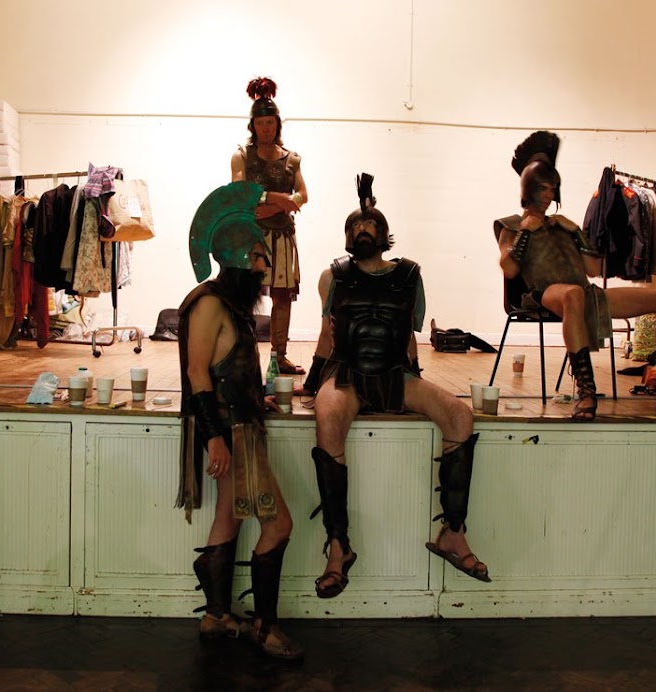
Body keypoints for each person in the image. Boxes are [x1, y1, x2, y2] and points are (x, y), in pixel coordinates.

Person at [307, 174, 490, 599]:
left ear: (384, 234)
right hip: (347, 372)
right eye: (354, 226)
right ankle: (338, 545)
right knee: (326, 418)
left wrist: (417, 379)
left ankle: (453, 532)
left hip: (394, 372)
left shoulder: (409, 276)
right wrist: (313, 383)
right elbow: (328, 334)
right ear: (347, 237)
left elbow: (408, 333)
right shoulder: (332, 276)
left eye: (369, 225)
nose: (362, 230)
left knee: (459, 415)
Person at [496, 131, 656, 421]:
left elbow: (593, 270)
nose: (548, 195)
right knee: (573, 294)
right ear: (530, 189)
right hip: (543, 294)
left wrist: (576, 232)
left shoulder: (562, 227)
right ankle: (586, 390)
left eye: (553, 189)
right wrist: (525, 233)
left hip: (584, 292)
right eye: (544, 188)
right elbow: (509, 269)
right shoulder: (510, 226)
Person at [177, 181, 302, 660]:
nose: (264, 266)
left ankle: (215, 617)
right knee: (279, 525)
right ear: (234, 257)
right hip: (229, 432)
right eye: (256, 257)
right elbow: (198, 374)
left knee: (228, 514)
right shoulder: (209, 303)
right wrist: (214, 439)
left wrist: (254, 397)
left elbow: (228, 366)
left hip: (240, 423)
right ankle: (266, 629)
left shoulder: (228, 303)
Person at [231, 76, 309, 375]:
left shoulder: (292, 160)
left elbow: (302, 195)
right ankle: (242, 354)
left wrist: (274, 206)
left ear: (278, 124)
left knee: (282, 297)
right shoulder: (242, 156)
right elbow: (239, 193)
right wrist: (278, 198)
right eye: (261, 123)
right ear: (253, 125)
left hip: (283, 235)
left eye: (270, 123)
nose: (266, 128)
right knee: (244, 296)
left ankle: (279, 356)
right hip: (252, 237)